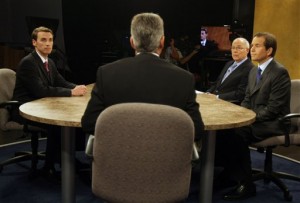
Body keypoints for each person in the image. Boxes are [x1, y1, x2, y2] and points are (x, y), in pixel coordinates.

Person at [81, 12, 205, 141]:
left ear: (132, 42)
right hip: (165, 159)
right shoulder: (184, 79)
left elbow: (89, 124)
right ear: (162, 42)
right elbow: (196, 131)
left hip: (119, 158)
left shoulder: (106, 73)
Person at [218, 32, 291, 201]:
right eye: (252, 45)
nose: (252, 49)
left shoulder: (279, 72)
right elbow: (246, 100)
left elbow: (273, 109)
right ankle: (230, 174)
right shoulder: (254, 71)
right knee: (226, 129)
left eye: (257, 46)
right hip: (256, 118)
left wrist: (246, 119)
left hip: (276, 122)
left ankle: (247, 184)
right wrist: (240, 116)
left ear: (269, 50)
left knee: (239, 132)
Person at [12, 26, 87, 177]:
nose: (48, 44)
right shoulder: (28, 63)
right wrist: (71, 92)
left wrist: (78, 88)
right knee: (58, 123)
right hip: (26, 110)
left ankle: (67, 158)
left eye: (51, 40)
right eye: (43, 40)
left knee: (71, 117)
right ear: (34, 42)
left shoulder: (49, 62)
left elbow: (61, 82)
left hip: (44, 105)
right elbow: (41, 90)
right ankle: (51, 164)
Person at [206, 37, 254, 103]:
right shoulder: (229, 63)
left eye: (239, 48)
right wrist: (208, 92)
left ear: (247, 50)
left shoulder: (250, 68)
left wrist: (217, 97)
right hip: (213, 100)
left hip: (228, 104)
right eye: (233, 48)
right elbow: (217, 83)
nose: (235, 51)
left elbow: (241, 93)